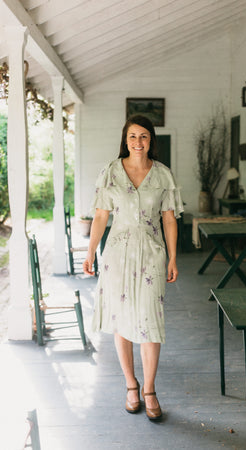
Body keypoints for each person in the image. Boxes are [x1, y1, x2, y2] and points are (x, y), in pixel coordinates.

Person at [83, 114, 183, 420]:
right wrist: (90, 253)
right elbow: (101, 216)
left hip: (152, 254)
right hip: (116, 254)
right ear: (125, 141)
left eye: (143, 137)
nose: (138, 142)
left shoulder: (163, 174)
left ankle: (150, 389)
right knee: (120, 320)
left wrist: (174, 257)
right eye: (132, 137)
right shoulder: (110, 172)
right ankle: (131, 384)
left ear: (151, 140)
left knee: (151, 322)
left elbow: (169, 218)